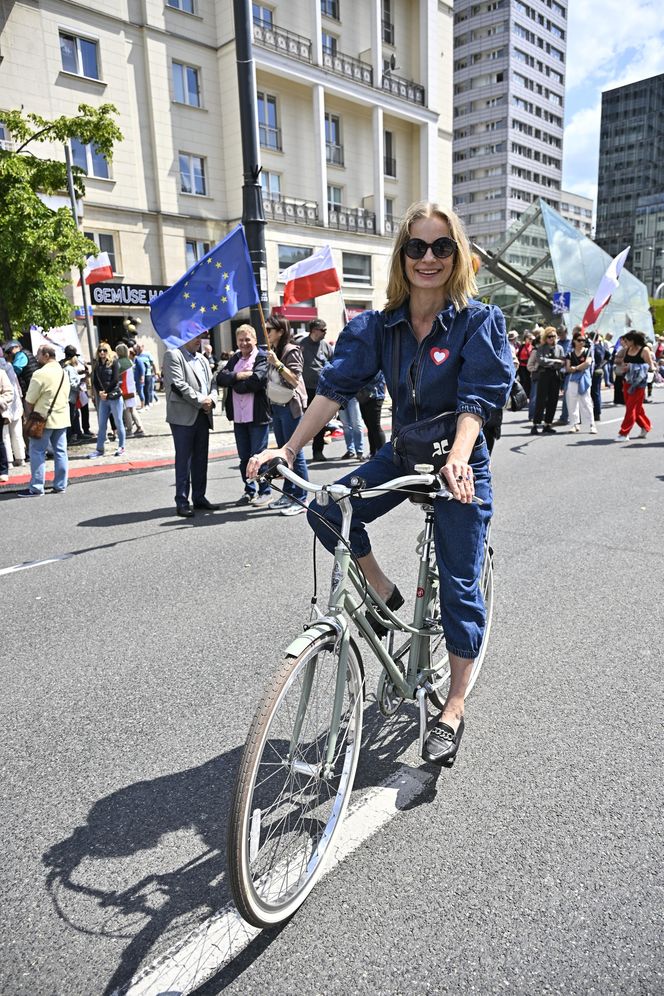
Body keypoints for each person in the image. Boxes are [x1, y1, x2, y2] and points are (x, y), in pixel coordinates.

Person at [248, 200, 513, 766]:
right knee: (327, 509)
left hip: (458, 458)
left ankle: (454, 706)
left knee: (460, 584)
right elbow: (334, 389)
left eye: (442, 247)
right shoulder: (376, 325)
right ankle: (385, 590)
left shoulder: (477, 321)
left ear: (457, 256)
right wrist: (287, 447)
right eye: (417, 246)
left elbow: (475, 402)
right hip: (404, 452)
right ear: (402, 255)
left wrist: (461, 459)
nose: (429, 258)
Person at [163, 330, 219, 517]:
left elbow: (212, 384)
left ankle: (199, 497)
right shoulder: (173, 355)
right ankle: (182, 501)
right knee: (184, 460)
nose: (199, 340)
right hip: (183, 416)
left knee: (201, 459)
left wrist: (212, 399)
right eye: (195, 337)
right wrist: (202, 401)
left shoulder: (203, 359)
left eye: (200, 337)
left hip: (203, 414)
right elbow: (178, 385)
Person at [216, 324, 273, 506]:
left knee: (258, 457)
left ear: (255, 340)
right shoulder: (235, 358)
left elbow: (258, 380)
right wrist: (240, 376)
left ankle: (265, 491)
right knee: (243, 458)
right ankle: (249, 490)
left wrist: (235, 383)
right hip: (239, 418)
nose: (244, 343)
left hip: (257, 416)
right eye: (241, 340)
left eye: (248, 339)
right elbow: (220, 378)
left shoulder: (262, 357)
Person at [264, 315, 310, 516]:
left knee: (294, 453)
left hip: (290, 407)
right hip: (278, 406)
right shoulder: (273, 350)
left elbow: (294, 380)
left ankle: (301, 498)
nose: (266, 333)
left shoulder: (291, 350)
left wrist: (278, 364)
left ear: (281, 331)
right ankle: (289, 494)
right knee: (283, 454)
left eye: (270, 330)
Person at [18, 344, 70, 497]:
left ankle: (36, 487)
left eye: (39, 354)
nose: (36, 357)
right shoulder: (63, 372)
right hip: (62, 417)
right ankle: (60, 485)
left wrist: (29, 417)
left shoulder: (40, 374)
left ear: (46, 355)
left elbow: (29, 400)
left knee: (37, 452)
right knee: (61, 452)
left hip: (42, 419)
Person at [300, 318, 334, 461]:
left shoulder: (325, 346)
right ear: (314, 330)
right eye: (323, 330)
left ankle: (317, 451)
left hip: (321, 389)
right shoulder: (301, 345)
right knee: (303, 421)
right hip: (305, 389)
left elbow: (333, 363)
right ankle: (296, 451)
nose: (325, 332)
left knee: (320, 421)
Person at [88, 342, 126, 458]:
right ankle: (100, 449)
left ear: (108, 351)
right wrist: (100, 392)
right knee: (102, 424)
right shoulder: (97, 364)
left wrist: (105, 392)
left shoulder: (114, 362)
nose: (102, 353)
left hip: (114, 396)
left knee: (118, 422)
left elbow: (115, 379)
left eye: (104, 350)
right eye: (100, 351)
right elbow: (94, 380)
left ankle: (121, 446)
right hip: (103, 398)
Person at [614, 331, 654, 441]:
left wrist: (632, 367)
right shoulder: (627, 349)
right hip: (627, 382)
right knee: (636, 408)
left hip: (639, 384)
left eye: (627, 340)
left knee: (631, 408)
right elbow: (617, 359)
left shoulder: (644, 350)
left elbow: (650, 366)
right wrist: (623, 364)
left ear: (634, 340)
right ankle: (645, 426)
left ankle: (624, 433)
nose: (625, 342)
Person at [531, 327, 564, 434]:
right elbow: (541, 361)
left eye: (554, 336)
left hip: (555, 376)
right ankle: (535, 424)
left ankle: (547, 424)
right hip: (544, 375)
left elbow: (562, 361)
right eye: (549, 336)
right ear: (546, 337)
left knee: (553, 400)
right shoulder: (541, 348)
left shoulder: (559, 348)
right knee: (540, 400)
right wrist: (555, 361)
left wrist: (554, 362)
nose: (551, 338)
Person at [564, 330, 596, 433]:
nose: (581, 342)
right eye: (579, 340)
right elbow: (568, 368)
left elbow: (587, 363)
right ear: (574, 341)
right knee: (572, 401)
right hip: (573, 378)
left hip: (584, 378)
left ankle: (592, 424)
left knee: (586, 401)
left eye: (583, 340)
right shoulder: (570, 354)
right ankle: (574, 424)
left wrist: (576, 367)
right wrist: (573, 369)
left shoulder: (588, 351)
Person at [0, 345, 26, 467]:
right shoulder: (9, 366)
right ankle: (21, 458)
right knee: (17, 432)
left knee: (4, 434)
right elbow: (17, 385)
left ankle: (8, 461)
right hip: (14, 401)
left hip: (2, 405)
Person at [116, 343, 145, 438]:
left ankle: (129, 430)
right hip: (131, 387)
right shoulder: (129, 361)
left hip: (125, 388)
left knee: (127, 410)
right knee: (132, 409)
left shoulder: (120, 362)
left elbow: (118, 376)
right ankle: (140, 427)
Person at [358, 371, 387, 458]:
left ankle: (382, 454)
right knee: (370, 426)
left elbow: (374, 377)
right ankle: (373, 452)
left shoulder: (374, 361)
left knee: (375, 426)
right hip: (363, 396)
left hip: (375, 396)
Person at [62, 346, 82, 443]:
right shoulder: (70, 368)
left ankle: (73, 435)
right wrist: (80, 381)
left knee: (72, 416)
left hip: (65, 397)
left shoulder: (63, 366)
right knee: (70, 417)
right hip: (70, 397)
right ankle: (69, 438)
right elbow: (72, 384)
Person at [339, 395, 365, 461]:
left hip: (353, 395)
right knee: (346, 425)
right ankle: (350, 450)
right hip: (339, 396)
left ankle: (359, 451)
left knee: (356, 423)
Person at [0, 364, 13, 483]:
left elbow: (9, 393)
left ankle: (3, 471)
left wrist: (0, 400)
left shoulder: (1, 373)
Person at [515, 331, 535, 398]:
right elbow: (518, 355)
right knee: (524, 380)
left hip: (529, 367)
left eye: (531, 339)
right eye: (529, 338)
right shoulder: (522, 346)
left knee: (529, 381)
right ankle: (523, 395)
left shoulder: (532, 347)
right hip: (522, 367)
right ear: (525, 339)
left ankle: (528, 395)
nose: (530, 340)